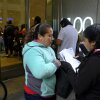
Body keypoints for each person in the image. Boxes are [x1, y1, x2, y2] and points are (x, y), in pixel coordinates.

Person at [22, 24, 61, 100]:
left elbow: (53, 64)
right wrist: (55, 64)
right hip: (36, 95)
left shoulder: (49, 49)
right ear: (40, 36)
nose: (52, 38)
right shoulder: (32, 51)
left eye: (52, 36)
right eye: (49, 36)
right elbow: (41, 72)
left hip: (49, 92)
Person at [62, 24, 100, 100]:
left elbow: (78, 87)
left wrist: (68, 67)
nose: (83, 43)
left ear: (93, 42)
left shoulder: (94, 61)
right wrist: (83, 59)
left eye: (85, 40)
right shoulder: (95, 57)